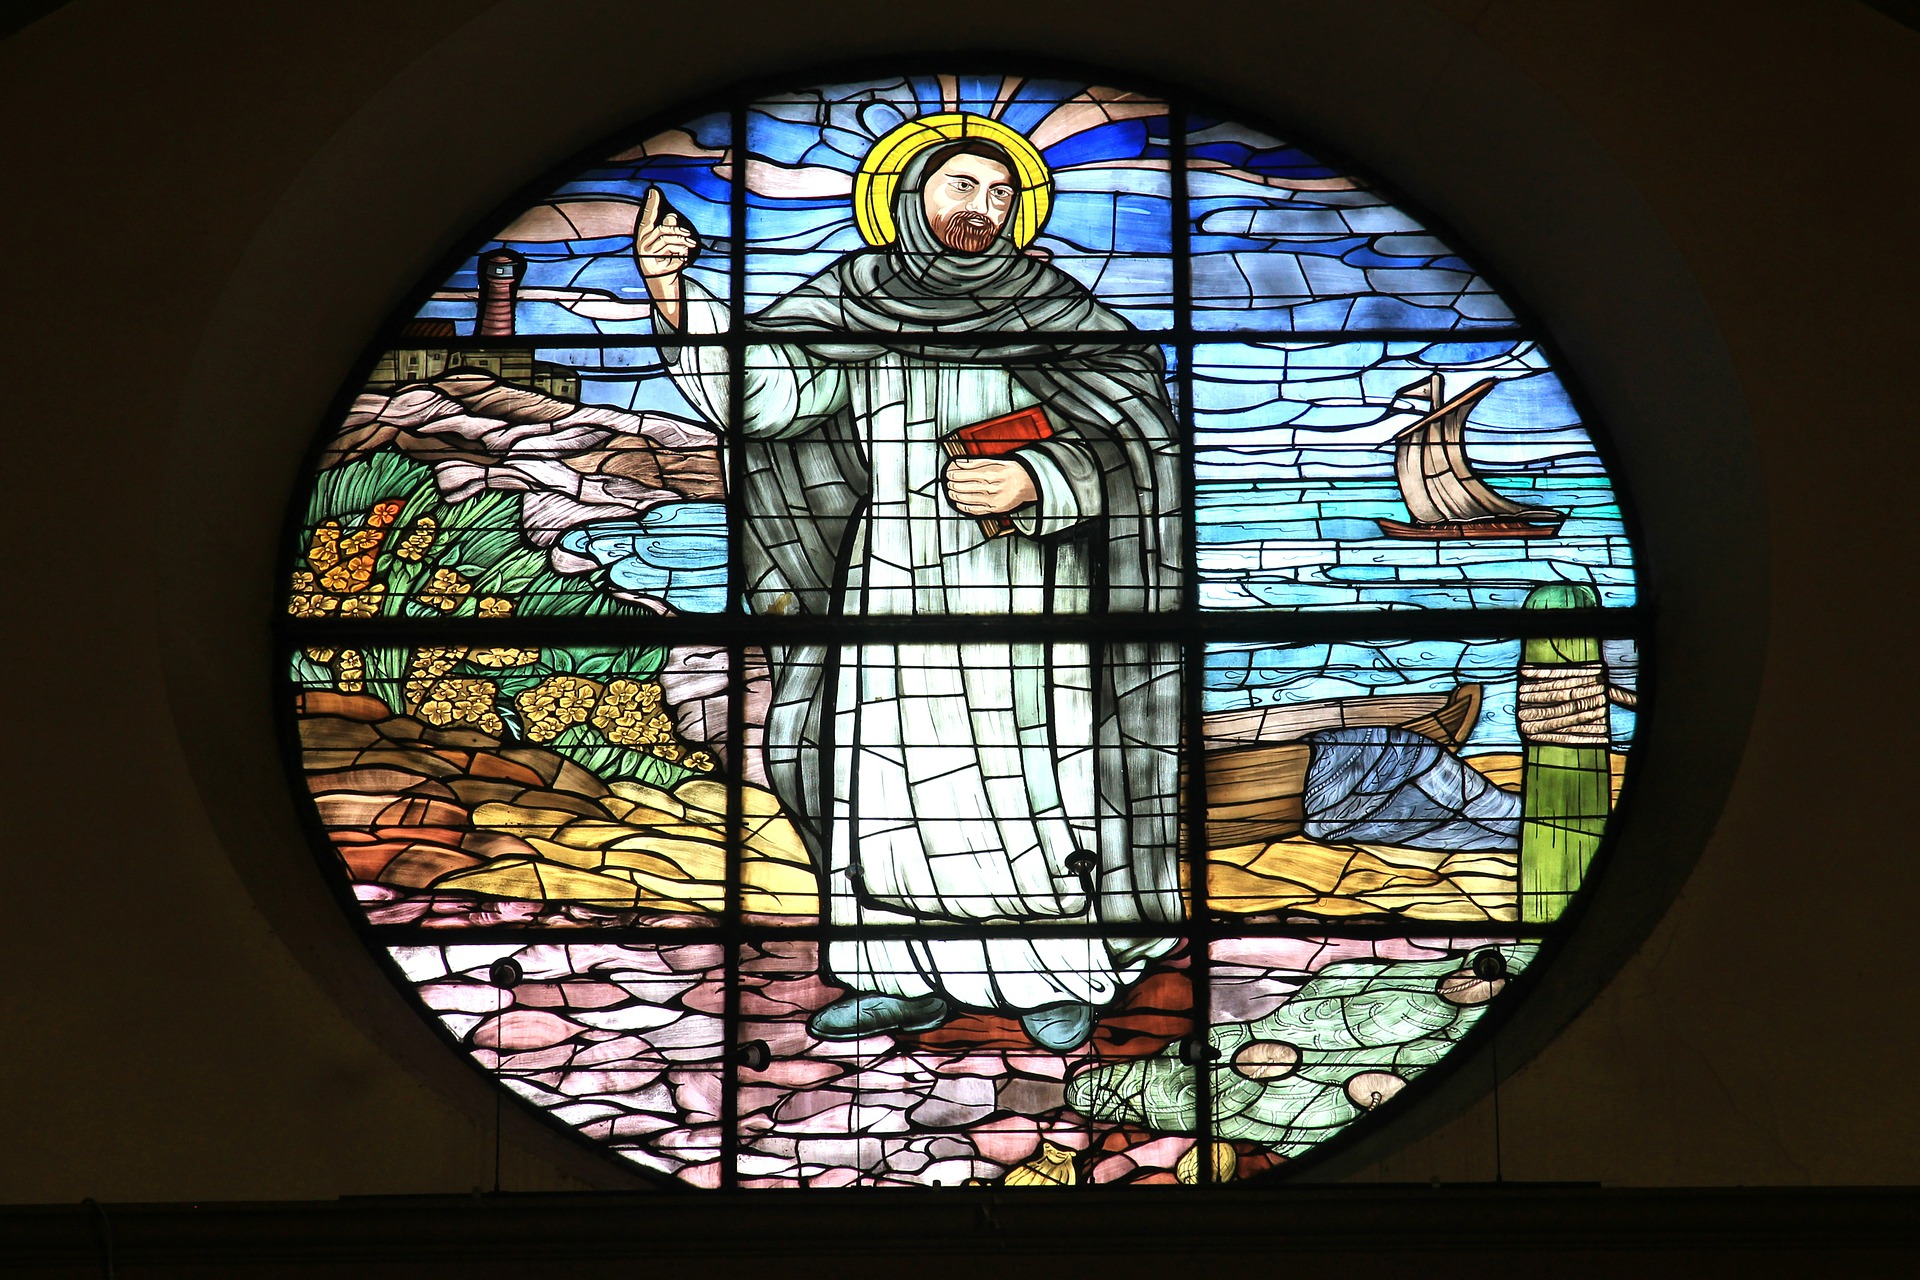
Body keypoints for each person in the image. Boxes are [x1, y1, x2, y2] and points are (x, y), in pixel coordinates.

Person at [635, 128, 1183, 1052]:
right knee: (884, 779)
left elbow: (1137, 446)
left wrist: (1041, 481)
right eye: (963, 185)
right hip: (889, 576)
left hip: (1025, 589)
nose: (983, 208)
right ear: (907, 195)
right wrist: (671, 290)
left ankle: (1050, 972)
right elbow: (768, 400)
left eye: (1002, 194)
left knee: (1027, 783)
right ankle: (897, 975)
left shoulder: (1057, 310)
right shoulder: (853, 299)